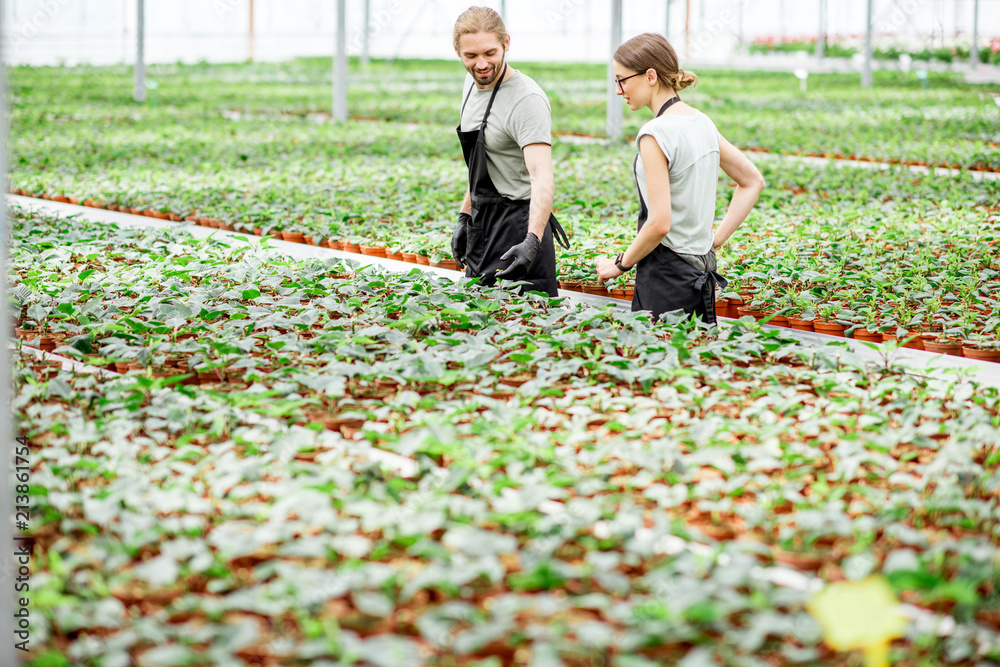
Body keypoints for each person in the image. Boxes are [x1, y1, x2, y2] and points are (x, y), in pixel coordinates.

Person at [596, 33, 765, 325]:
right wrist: (715, 240)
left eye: (621, 80)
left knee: (660, 363)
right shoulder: (702, 122)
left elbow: (660, 223)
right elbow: (752, 181)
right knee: (694, 366)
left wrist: (619, 265)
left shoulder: (655, 133)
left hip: (666, 279)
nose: (618, 90)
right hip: (700, 274)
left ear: (650, 76)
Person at [450, 6, 569, 297]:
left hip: (519, 225)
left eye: (490, 53)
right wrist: (465, 217)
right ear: (457, 51)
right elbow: (480, 164)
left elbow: (541, 176)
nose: (481, 64)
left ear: (506, 44)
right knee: (477, 323)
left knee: (523, 329)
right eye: (471, 56)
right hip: (482, 224)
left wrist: (532, 241)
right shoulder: (471, 84)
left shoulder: (526, 99)